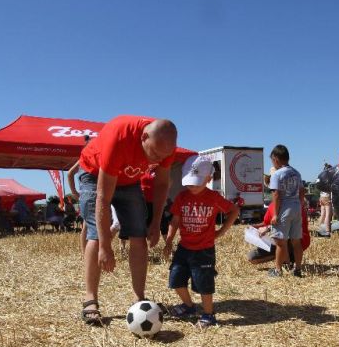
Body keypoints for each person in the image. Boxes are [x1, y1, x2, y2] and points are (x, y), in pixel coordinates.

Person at [77, 115, 178, 324]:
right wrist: (106, 246)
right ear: (144, 137)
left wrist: (155, 222)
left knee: (138, 235)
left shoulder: (165, 147)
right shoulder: (119, 137)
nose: (157, 161)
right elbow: (103, 199)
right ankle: (90, 300)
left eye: (163, 156)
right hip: (94, 174)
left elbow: (161, 186)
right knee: (96, 235)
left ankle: (140, 298)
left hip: (129, 181)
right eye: (154, 154)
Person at [162, 156, 238, 328]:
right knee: (175, 281)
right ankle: (189, 307)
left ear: (208, 179)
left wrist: (220, 232)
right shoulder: (182, 197)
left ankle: (208, 314)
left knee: (204, 285)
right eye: (189, 182)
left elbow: (233, 211)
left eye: (195, 182)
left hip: (204, 250)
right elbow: (174, 221)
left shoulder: (213, 197)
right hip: (184, 248)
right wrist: (168, 242)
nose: (191, 186)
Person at [267, 145, 306, 277]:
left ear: (276, 159)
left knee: (280, 242)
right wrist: (299, 206)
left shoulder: (276, 175)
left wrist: (275, 214)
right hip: (296, 207)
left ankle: (277, 271)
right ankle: (298, 270)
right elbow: (302, 191)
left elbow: (276, 195)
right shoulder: (297, 173)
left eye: (272, 160)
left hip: (284, 208)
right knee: (296, 241)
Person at [248, 201, 310, 266]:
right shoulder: (272, 205)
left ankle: (286, 264)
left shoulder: (294, 205)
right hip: (278, 240)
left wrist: (268, 228)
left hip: (296, 241)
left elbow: (287, 226)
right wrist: (254, 227)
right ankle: (282, 257)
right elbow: (266, 223)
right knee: (252, 257)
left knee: (283, 237)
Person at [315, 162, 335, 237]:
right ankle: (327, 231)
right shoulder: (330, 178)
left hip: (321, 197)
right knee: (328, 215)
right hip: (327, 197)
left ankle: (319, 229)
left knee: (322, 214)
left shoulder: (322, 177)